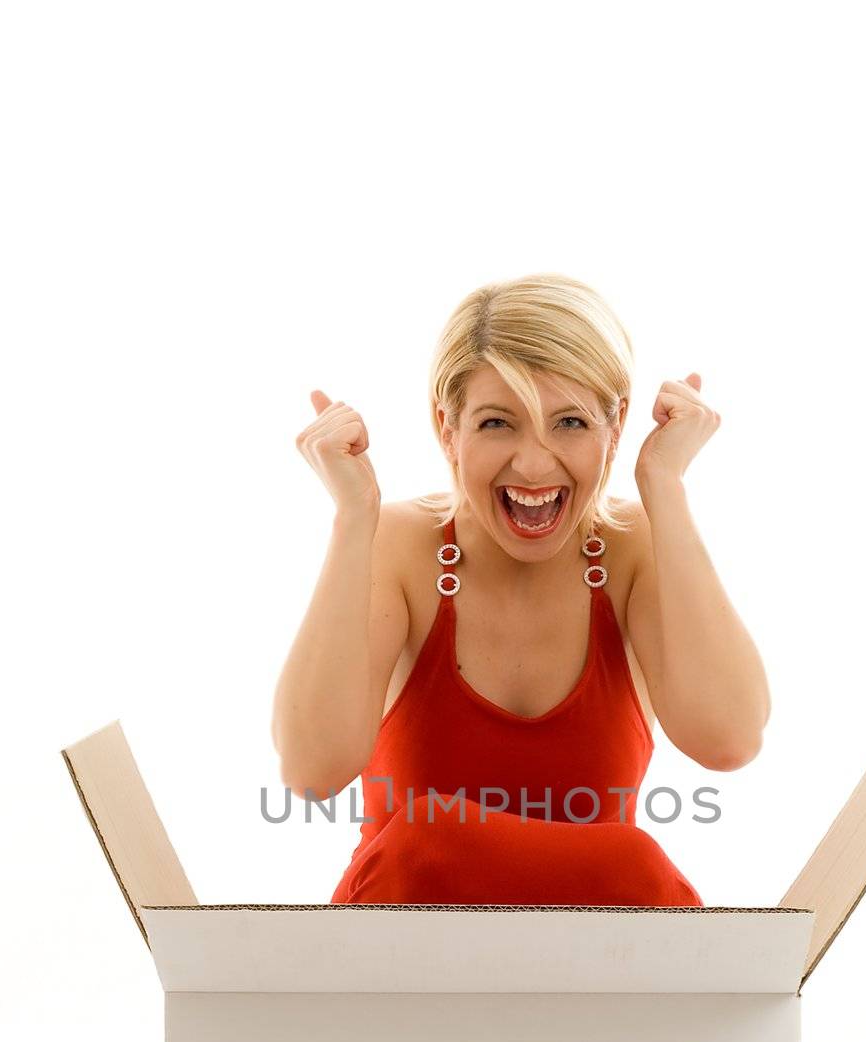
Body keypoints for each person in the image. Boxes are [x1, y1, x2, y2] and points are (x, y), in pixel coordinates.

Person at [271, 274, 771, 907]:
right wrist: (352, 516)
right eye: (497, 423)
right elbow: (311, 773)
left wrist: (664, 487)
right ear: (446, 427)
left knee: (632, 863)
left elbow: (729, 739)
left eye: (569, 422)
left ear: (614, 430)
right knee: (425, 836)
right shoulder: (393, 544)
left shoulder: (636, 547)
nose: (534, 466)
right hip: (403, 967)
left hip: (600, 970)